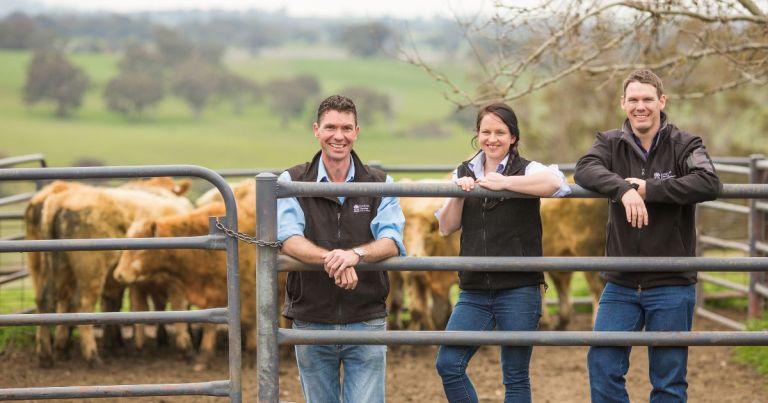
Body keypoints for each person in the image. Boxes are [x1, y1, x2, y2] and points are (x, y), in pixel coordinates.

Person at [574, 69, 721, 403]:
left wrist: (650, 189)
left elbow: (709, 182)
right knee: (603, 365)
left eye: (648, 99)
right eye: (634, 99)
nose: (641, 106)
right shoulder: (609, 142)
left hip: (672, 281)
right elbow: (585, 168)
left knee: (669, 380)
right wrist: (623, 189)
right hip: (621, 281)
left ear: (662, 102)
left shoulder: (686, 144)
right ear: (623, 103)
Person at [435, 102, 571, 403]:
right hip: (474, 290)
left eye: (500, 132)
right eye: (486, 132)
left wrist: (504, 183)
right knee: (448, 364)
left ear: (513, 137)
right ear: (477, 134)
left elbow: (556, 183)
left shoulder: (527, 170)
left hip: (519, 288)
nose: (492, 139)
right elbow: (445, 227)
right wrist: (460, 192)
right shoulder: (464, 171)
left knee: (515, 375)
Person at [276, 94, 405, 403]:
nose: (339, 136)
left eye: (346, 128)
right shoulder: (292, 181)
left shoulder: (380, 183)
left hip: (366, 316)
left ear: (357, 132)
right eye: (331, 127)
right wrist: (333, 260)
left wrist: (355, 255)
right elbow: (288, 237)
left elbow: (392, 240)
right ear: (316, 129)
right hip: (311, 316)